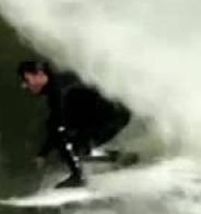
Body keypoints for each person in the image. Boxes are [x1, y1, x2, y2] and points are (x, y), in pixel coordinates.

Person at [17, 60, 132, 188]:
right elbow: (55, 124)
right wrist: (43, 154)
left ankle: (78, 177)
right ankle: (121, 158)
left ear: (40, 75)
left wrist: (44, 153)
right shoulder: (59, 83)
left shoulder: (58, 91)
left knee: (68, 142)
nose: (24, 85)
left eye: (27, 80)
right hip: (111, 114)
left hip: (111, 117)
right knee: (70, 142)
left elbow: (59, 129)